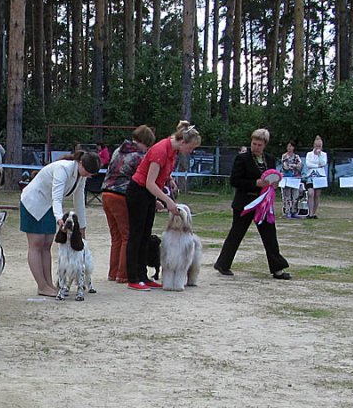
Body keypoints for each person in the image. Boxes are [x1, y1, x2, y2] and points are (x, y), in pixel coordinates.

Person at [125, 121, 200, 291]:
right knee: (136, 236)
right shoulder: (160, 150)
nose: (190, 152)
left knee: (145, 236)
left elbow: (162, 174)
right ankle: (133, 277)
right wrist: (168, 201)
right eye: (191, 148)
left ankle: (143, 275)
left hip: (148, 194)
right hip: (139, 192)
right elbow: (150, 183)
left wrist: (170, 181)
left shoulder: (172, 151)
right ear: (183, 142)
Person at [20, 150, 101, 297]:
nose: (89, 176)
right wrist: (60, 219)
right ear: (81, 163)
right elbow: (56, 198)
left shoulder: (81, 176)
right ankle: (42, 286)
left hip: (48, 206)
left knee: (47, 245)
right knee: (36, 244)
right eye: (88, 172)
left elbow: (79, 201)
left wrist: (82, 227)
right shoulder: (62, 169)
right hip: (33, 202)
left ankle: (50, 284)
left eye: (92, 174)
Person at [214, 129, 291, 280]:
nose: (256, 147)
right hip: (244, 203)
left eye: (259, 144)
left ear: (265, 145)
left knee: (270, 235)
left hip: (263, 204)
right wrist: (255, 183)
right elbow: (234, 181)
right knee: (236, 234)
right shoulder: (242, 159)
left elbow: (272, 176)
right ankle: (223, 264)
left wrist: (273, 185)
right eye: (254, 144)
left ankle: (277, 268)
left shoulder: (270, 159)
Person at [101, 125, 156, 284]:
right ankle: (123, 274)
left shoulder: (118, 150)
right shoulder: (139, 156)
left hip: (106, 193)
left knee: (116, 236)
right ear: (145, 142)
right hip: (121, 195)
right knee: (127, 235)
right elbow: (142, 179)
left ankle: (113, 272)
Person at [304, 135, 327, 219]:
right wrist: (317, 165)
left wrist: (319, 155)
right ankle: (309, 213)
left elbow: (323, 163)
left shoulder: (323, 154)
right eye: (317, 146)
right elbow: (308, 164)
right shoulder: (309, 154)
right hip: (310, 176)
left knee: (317, 195)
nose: (318, 148)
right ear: (314, 146)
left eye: (320, 146)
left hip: (320, 176)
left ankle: (313, 213)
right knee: (310, 193)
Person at [280, 141, 303, 218]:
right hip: (287, 178)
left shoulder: (297, 157)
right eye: (288, 146)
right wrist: (294, 165)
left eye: (291, 146)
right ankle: (287, 211)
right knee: (287, 195)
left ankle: (294, 211)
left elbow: (300, 166)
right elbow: (285, 167)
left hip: (295, 178)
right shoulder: (284, 156)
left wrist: (293, 166)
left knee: (295, 195)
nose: (289, 148)